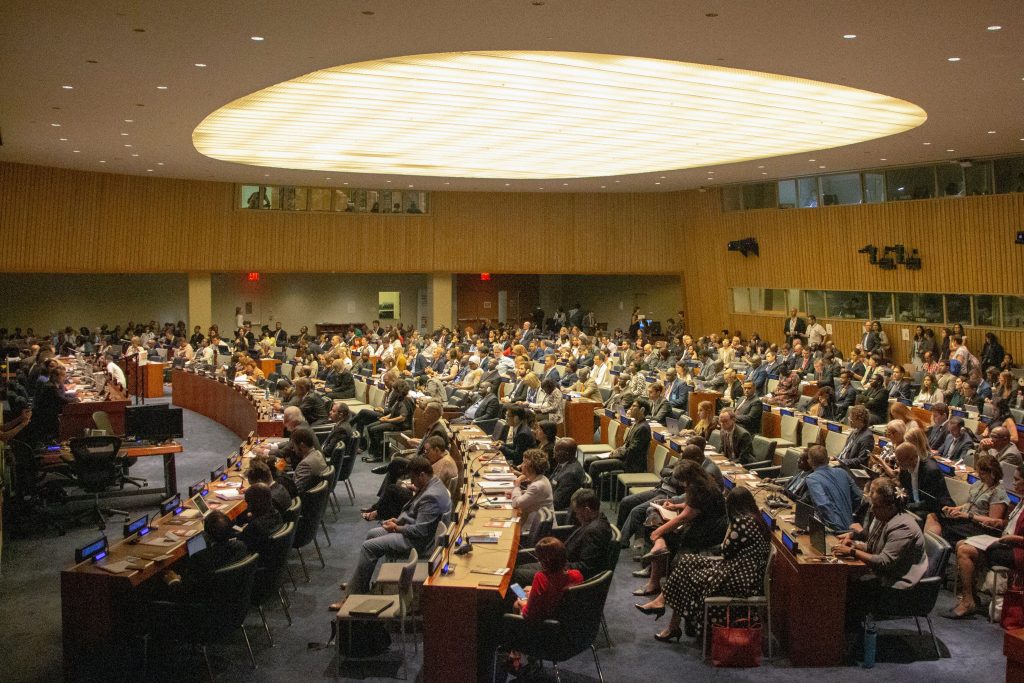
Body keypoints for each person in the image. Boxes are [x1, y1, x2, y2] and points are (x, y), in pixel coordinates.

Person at [640, 486, 771, 642]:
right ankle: (668, 617)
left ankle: (670, 620)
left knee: (686, 574)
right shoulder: (756, 518)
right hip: (739, 570)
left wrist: (729, 532)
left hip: (739, 578)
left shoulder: (742, 523)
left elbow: (726, 551)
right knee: (686, 562)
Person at [337, 456, 451, 603]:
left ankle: (354, 593)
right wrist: (398, 521)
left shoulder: (432, 496)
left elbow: (420, 532)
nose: (411, 482)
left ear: (422, 475)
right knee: (372, 534)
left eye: (412, 478)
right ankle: (359, 583)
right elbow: (416, 518)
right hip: (411, 531)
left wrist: (397, 527)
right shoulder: (434, 483)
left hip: (418, 542)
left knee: (368, 547)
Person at [833, 477, 928, 628]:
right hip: (885, 576)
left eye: (876, 506)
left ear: (890, 507)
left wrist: (852, 552)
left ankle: (849, 639)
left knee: (846, 591)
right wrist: (856, 544)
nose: (871, 510)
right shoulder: (883, 517)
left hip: (899, 588)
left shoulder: (903, 527)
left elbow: (884, 562)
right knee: (842, 585)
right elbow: (872, 548)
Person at [945, 462, 1024, 619]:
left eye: (1017, 480)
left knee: (964, 550)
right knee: (961, 543)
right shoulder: (1021, 500)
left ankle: (968, 602)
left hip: (1017, 551)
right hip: (1006, 543)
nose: (1013, 483)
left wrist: (1011, 537)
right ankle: (971, 596)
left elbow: (1001, 524)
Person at [514, 488, 611, 585]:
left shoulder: (594, 531)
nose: (576, 516)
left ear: (586, 510)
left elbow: (586, 567)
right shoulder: (595, 520)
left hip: (562, 574)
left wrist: (555, 565)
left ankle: (527, 599)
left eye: (577, 512)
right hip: (558, 565)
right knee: (517, 569)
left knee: (516, 575)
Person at [160, 511, 248, 602]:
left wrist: (173, 581)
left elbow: (186, 593)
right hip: (235, 600)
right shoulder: (241, 547)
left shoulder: (202, 559)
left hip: (204, 606)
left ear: (207, 535)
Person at [939, 454, 1009, 544]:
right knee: (934, 516)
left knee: (944, 528)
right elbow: (971, 503)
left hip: (979, 527)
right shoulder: (979, 484)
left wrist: (969, 516)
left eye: (982, 474)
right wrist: (956, 509)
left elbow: (992, 522)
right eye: (978, 472)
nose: (979, 476)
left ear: (993, 473)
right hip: (965, 520)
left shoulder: (998, 492)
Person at [588, 399, 652, 488]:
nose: (630, 408)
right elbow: (626, 445)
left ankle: (594, 491)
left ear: (642, 410)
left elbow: (632, 451)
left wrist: (616, 454)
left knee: (594, 466)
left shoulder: (643, 428)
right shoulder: (636, 424)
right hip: (624, 457)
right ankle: (594, 488)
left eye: (634, 406)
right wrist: (616, 451)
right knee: (589, 461)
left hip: (631, 463)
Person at [803, 444, 862, 531]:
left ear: (810, 462)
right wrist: (846, 510)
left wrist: (837, 527)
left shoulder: (812, 479)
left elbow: (823, 505)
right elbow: (858, 496)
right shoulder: (843, 472)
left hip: (834, 530)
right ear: (827, 460)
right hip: (851, 526)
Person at [509, 449, 555, 541]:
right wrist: (520, 493)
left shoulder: (537, 486)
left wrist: (517, 484)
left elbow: (516, 503)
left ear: (530, 467)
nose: (521, 465)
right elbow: (532, 497)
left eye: (524, 463)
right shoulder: (542, 478)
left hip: (531, 531)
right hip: (532, 525)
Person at [236, 483, 284, 561]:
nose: (248, 506)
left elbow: (240, 542)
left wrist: (246, 529)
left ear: (255, 505)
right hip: (273, 556)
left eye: (248, 503)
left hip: (257, 563)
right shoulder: (276, 513)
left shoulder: (255, 526)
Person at [549, 437, 586, 511]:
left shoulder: (569, 475)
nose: (553, 453)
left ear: (565, 454)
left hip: (556, 511)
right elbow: (552, 481)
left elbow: (556, 503)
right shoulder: (564, 462)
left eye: (556, 451)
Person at [289, 426, 327, 494]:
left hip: (303, 501)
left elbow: (295, 491)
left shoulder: (305, 464)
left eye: (294, 446)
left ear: (302, 445)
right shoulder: (317, 453)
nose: (293, 449)